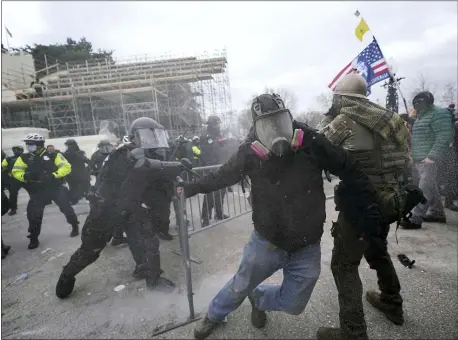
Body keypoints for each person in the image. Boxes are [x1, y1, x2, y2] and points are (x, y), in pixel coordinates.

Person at [181, 93, 380, 340]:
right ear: (255, 127)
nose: (276, 130)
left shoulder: (312, 142)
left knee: (294, 304)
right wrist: (190, 188)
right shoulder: (249, 152)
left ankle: (259, 297)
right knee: (239, 285)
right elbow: (220, 177)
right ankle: (213, 315)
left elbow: (349, 167)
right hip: (266, 241)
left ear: (289, 117)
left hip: (306, 245)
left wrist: (368, 203)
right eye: (267, 124)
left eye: (279, 121)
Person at [316, 73, 411, 340]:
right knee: (377, 249)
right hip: (391, 199)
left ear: (342, 98)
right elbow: (407, 161)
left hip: (361, 203)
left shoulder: (344, 120)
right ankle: (392, 304)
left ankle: (353, 332)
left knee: (343, 265)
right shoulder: (391, 119)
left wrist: (327, 115)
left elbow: (319, 145)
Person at [55, 117, 185, 299]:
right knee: (90, 251)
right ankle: (66, 276)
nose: (153, 140)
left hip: (129, 206)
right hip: (106, 209)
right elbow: (143, 165)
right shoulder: (125, 153)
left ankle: (152, 278)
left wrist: (178, 173)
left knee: (148, 240)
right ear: (135, 137)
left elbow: (154, 180)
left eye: (155, 136)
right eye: (148, 135)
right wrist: (172, 166)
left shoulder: (145, 155)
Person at [11, 133, 79, 249]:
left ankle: (74, 225)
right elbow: (16, 171)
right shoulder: (24, 157)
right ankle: (33, 237)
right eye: (27, 144)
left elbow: (66, 167)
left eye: (31, 144)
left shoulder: (53, 155)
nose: (28, 146)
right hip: (37, 190)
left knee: (66, 208)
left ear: (40, 144)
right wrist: (24, 176)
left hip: (55, 188)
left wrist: (54, 175)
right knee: (34, 214)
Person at [401, 91, 453, 229]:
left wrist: (432, 156)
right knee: (431, 186)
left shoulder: (439, 114)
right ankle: (437, 213)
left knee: (424, 189)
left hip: (430, 160)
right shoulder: (421, 116)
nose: (417, 105)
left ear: (428, 101)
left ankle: (415, 218)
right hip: (420, 159)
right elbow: (422, 133)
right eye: (416, 102)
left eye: (420, 102)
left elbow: (444, 135)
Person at [199, 115, 230, 227]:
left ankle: (219, 213)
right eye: (216, 124)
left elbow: (223, 150)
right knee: (210, 194)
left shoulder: (219, 136)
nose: (218, 126)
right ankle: (206, 217)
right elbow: (207, 153)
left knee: (221, 192)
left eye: (218, 124)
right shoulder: (205, 137)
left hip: (220, 167)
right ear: (211, 125)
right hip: (210, 168)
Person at [63, 139, 91, 205]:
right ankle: (74, 199)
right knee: (73, 187)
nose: (68, 147)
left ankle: (82, 198)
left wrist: (88, 168)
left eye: (69, 145)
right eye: (67, 145)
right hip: (71, 174)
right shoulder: (66, 154)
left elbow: (87, 161)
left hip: (80, 173)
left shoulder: (79, 153)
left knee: (85, 186)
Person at [5, 146, 27, 215]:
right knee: (13, 194)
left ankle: (39, 203)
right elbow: (3, 165)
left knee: (34, 191)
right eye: (14, 150)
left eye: (17, 150)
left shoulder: (27, 157)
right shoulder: (9, 159)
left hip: (25, 178)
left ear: (21, 151)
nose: (15, 151)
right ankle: (13, 209)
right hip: (14, 180)